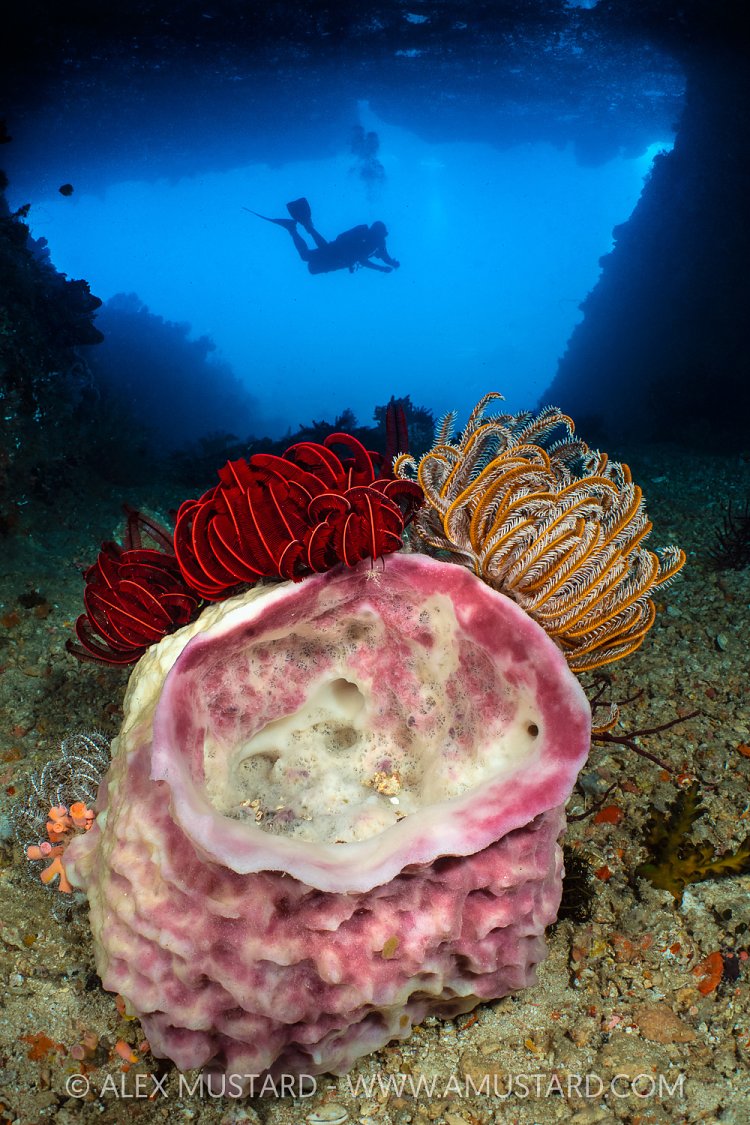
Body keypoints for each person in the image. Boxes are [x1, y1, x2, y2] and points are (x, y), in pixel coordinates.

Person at [247, 197, 400, 276]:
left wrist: (392, 264)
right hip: (338, 255)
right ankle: (294, 228)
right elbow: (363, 260)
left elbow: (384, 256)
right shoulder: (374, 241)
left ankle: (302, 226)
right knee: (307, 259)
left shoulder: (378, 241)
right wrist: (383, 268)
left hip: (337, 253)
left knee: (310, 262)